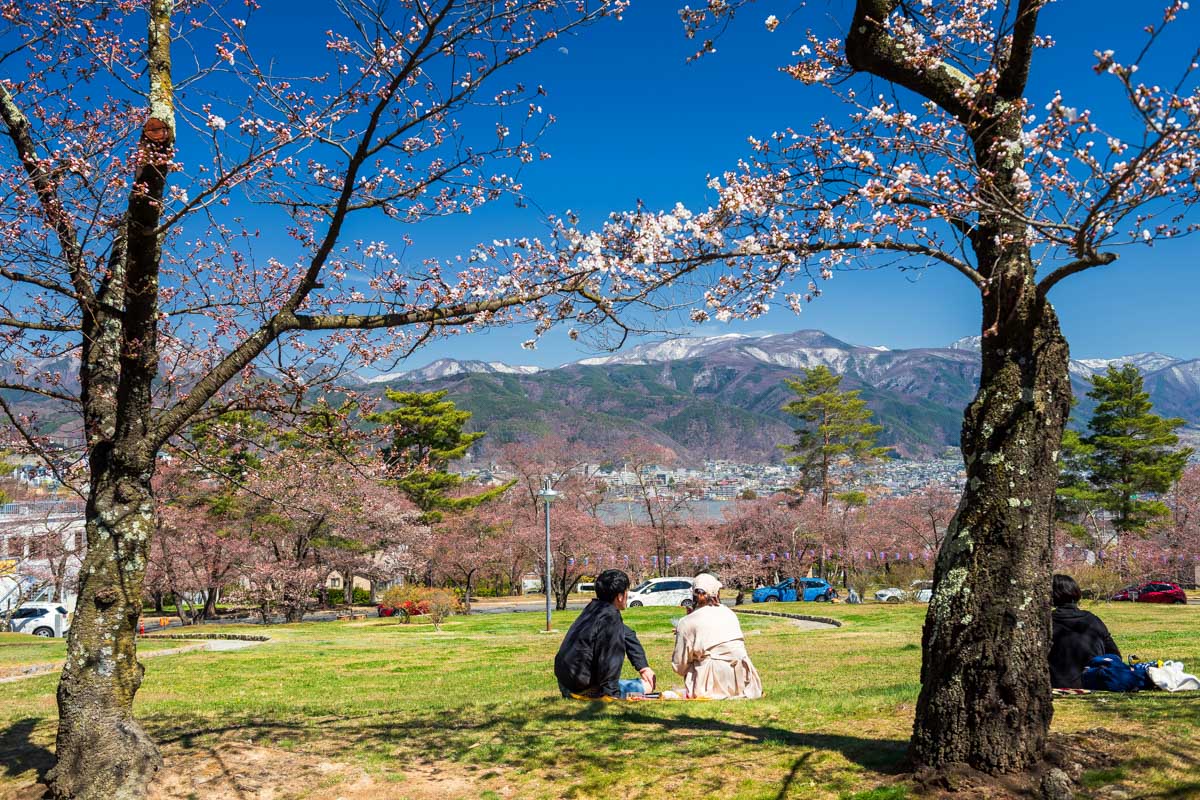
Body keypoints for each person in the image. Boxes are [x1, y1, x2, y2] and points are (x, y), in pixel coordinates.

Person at [554, 569, 656, 699]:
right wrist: (612, 696)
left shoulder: (595, 609)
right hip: (582, 690)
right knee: (648, 685)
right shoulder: (610, 618)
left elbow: (628, 634)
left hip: (566, 684)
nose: (627, 595)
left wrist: (643, 667)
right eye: (626, 591)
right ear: (619, 596)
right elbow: (609, 659)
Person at [671, 573, 763, 699]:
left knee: (694, 660)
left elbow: (679, 666)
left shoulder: (687, 622)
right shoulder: (729, 613)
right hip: (743, 680)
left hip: (712, 680)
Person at [1050, 573, 1120, 689]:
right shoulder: (1093, 620)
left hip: (1055, 683)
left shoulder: (1047, 622)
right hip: (1093, 681)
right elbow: (1114, 655)